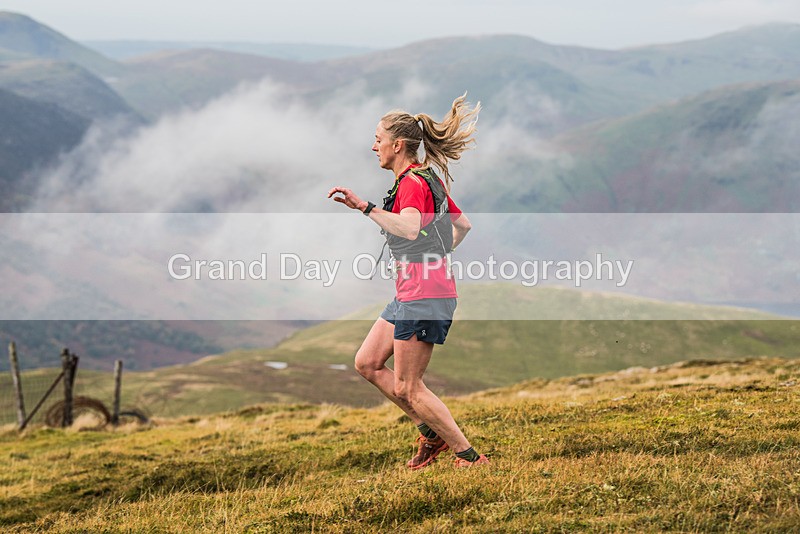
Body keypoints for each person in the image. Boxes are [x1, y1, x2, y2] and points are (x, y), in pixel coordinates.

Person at [327, 94, 489, 469]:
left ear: (397, 145)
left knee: (408, 387)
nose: (374, 146)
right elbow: (463, 225)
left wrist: (365, 207)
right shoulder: (426, 178)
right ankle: (431, 434)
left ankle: (468, 456)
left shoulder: (413, 184)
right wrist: (437, 255)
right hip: (414, 291)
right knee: (367, 362)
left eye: (378, 139)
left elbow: (412, 228)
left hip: (424, 295)